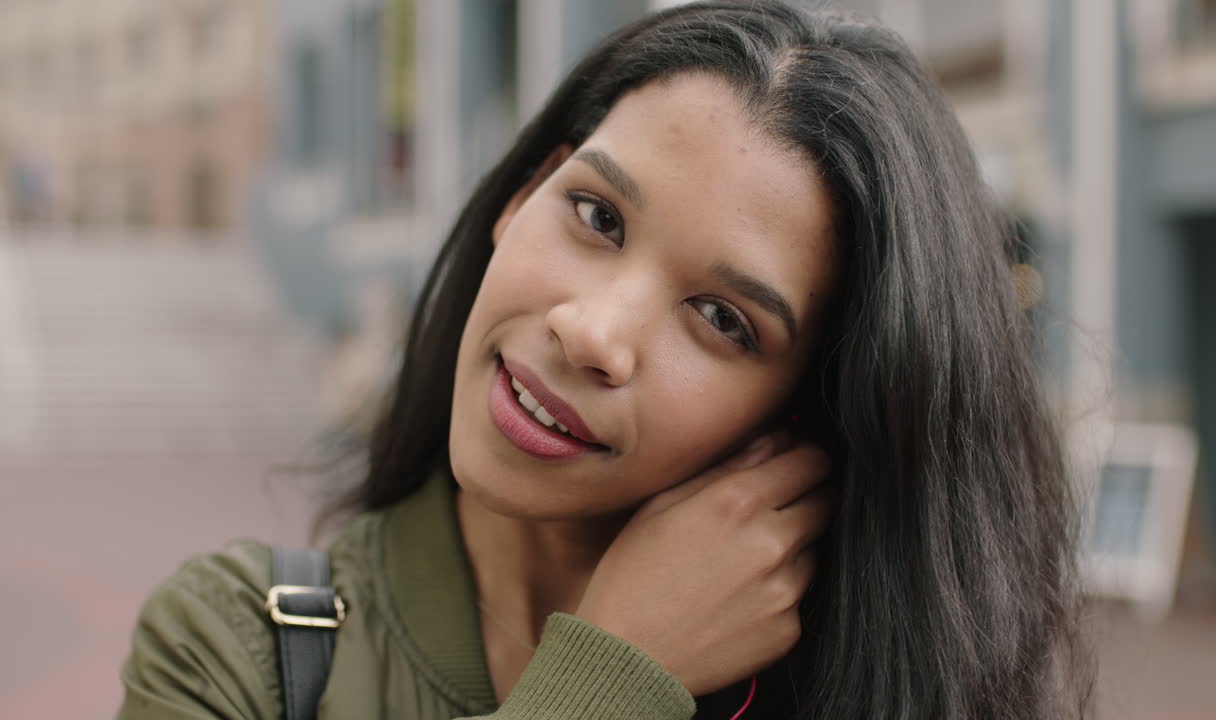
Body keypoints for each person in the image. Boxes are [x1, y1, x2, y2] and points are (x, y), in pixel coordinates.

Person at [117, 2, 1092, 718]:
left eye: (720, 318)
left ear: (802, 415)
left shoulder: (878, 695)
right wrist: (611, 675)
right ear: (522, 194)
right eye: (595, 215)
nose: (592, 331)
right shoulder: (235, 649)